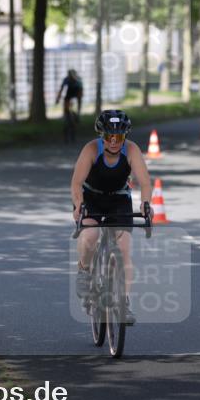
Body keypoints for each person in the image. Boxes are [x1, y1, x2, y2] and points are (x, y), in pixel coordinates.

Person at [71, 110, 153, 324]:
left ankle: (123, 303)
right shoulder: (91, 149)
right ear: (102, 136)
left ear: (125, 137)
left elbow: (144, 182)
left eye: (119, 137)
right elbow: (76, 183)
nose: (114, 142)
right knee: (90, 236)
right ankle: (84, 270)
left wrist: (146, 205)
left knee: (124, 248)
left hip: (118, 199)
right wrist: (78, 204)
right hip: (91, 197)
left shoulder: (132, 150)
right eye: (109, 137)